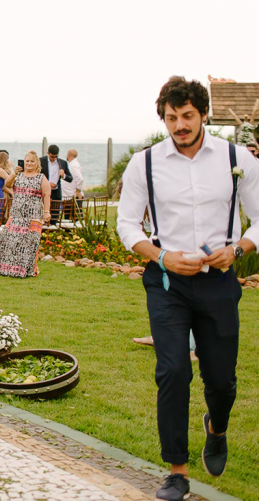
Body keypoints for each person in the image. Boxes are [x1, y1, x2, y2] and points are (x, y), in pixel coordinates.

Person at [116, 77, 259, 500]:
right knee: (173, 370)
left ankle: (216, 429)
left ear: (203, 114)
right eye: (171, 117)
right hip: (166, 282)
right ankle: (177, 471)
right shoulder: (143, 164)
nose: (179, 125)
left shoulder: (238, 160)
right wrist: (161, 257)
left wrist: (239, 248)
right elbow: (127, 224)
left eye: (187, 116)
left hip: (219, 282)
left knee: (221, 380)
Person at [0, 151, 51, 278]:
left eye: (32, 161)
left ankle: (26, 269)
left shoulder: (41, 177)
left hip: (33, 215)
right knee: (8, 240)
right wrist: (14, 173)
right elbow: (6, 184)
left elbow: (46, 195)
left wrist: (46, 212)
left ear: (37, 164)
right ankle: (6, 268)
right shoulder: (18, 175)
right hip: (17, 214)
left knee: (29, 243)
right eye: (27, 161)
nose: (29, 164)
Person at [40, 144, 73, 217]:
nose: (54, 158)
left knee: (55, 216)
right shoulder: (41, 161)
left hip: (56, 193)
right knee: (42, 215)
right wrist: (47, 184)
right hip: (43, 192)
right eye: (52, 156)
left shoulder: (62, 163)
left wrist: (63, 175)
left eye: (56, 157)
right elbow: (36, 176)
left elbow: (70, 179)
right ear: (48, 153)